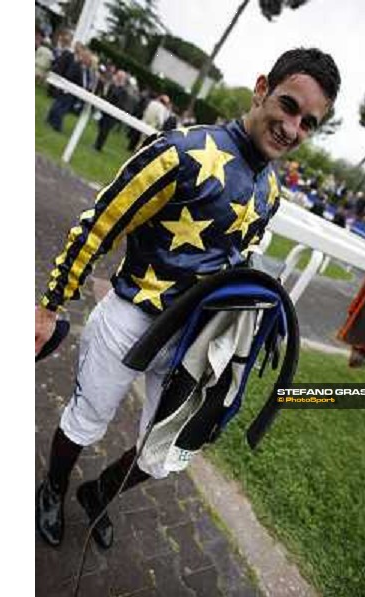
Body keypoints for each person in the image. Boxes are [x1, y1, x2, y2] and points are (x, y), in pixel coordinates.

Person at [35, 47, 341, 549]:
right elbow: (99, 224)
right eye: (288, 106)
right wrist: (50, 307)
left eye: (308, 123)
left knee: (169, 450)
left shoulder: (270, 194)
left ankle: (99, 493)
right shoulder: (178, 151)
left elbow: (237, 263)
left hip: (191, 341)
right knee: (85, 421)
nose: (292, 128)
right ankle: (53, 487)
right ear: (262, 87)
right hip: (130, 318)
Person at [46, 48, 94, 132]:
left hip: (77, 93)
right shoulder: (76, 65)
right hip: (69, 90)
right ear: (83, 57)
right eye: (87, 58)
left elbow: (87, 81)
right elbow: (69, 75)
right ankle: (56, 126)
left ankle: (50, 120)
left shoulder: (87, 70)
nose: (89, 60)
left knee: (60, 107)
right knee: (60, 107)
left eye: (89, 59)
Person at [93, 69, 129, 152]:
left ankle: (98, 146)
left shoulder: (123, 90)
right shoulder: (113, 85)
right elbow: (107, 96)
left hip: (112, 114)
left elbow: (121, 103)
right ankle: (97, 143)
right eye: (118, 76)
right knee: (101, 127)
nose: (118, 78)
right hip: (105, 110)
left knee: (105, 130)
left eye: (120, 77)